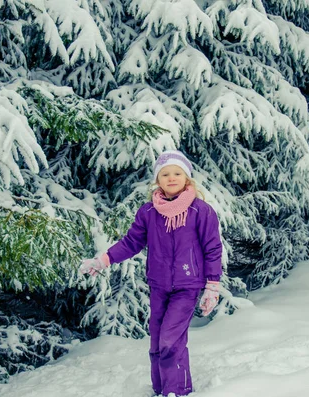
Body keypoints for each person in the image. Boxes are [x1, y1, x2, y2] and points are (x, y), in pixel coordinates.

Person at [80, 149, 223, 397]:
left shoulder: (201, 211)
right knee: (157, 343)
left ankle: (176, 392)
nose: (171, 178)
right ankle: (162, 390)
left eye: (177, 173)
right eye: (165, 174)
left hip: (187, 286)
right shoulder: (149, 212)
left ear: (187, 178)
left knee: (170, 341)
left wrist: (212, 286)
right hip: (159, 286)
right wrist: (104, 259)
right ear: (158, 180)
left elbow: (212, 248)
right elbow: (131, 242)